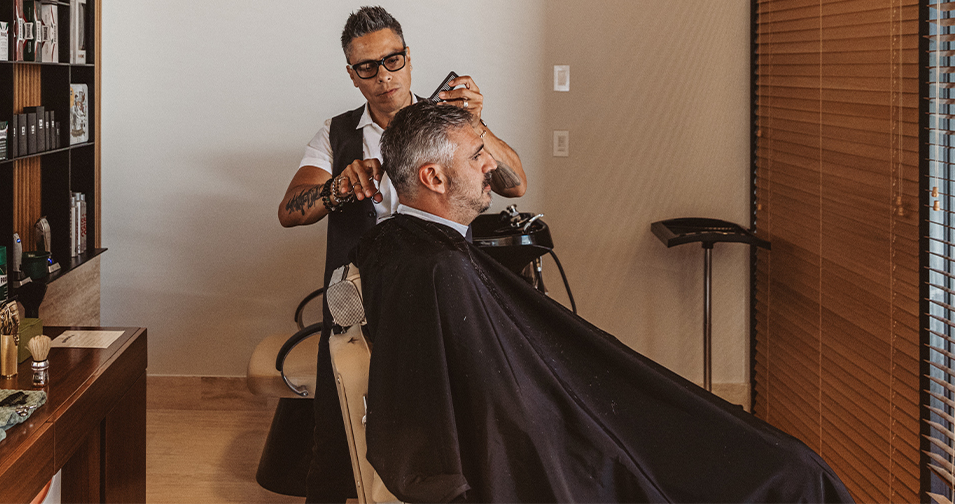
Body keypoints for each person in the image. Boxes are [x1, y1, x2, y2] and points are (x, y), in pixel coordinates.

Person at [352, 100, 853, 503]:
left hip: (573, 412)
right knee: (791, 471)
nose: (491, 164)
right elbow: (502, 417)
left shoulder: (397, 246)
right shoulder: (442, 268)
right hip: (574, 435)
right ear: (434, 178)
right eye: (476, 154)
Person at [277, 6, 526, 503]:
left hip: (440, 293)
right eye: (367, 66)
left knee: (449, 419)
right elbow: (290, 211)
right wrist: (336, 190)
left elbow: (514, 183)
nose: (383, 75)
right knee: (337, 425)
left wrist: (477, 122)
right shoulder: (337, 134)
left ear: (409, 58)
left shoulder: (450, 122)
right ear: (352, 74)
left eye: (392, 60)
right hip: (358, 299)